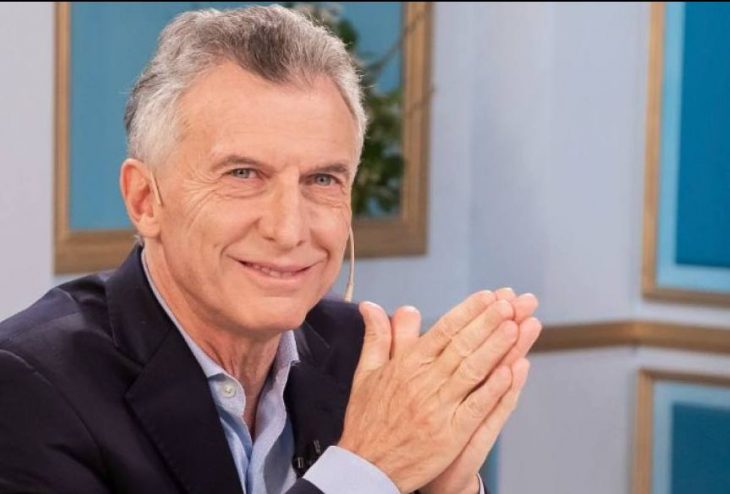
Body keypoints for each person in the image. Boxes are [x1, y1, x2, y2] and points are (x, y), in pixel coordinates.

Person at [0, 5, 542, 494]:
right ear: (145, 200)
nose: (288, 230)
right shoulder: (27, 386)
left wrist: (448, 492)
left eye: (322, 179)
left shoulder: (361, 357)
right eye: (243, 174)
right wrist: (367, 471)